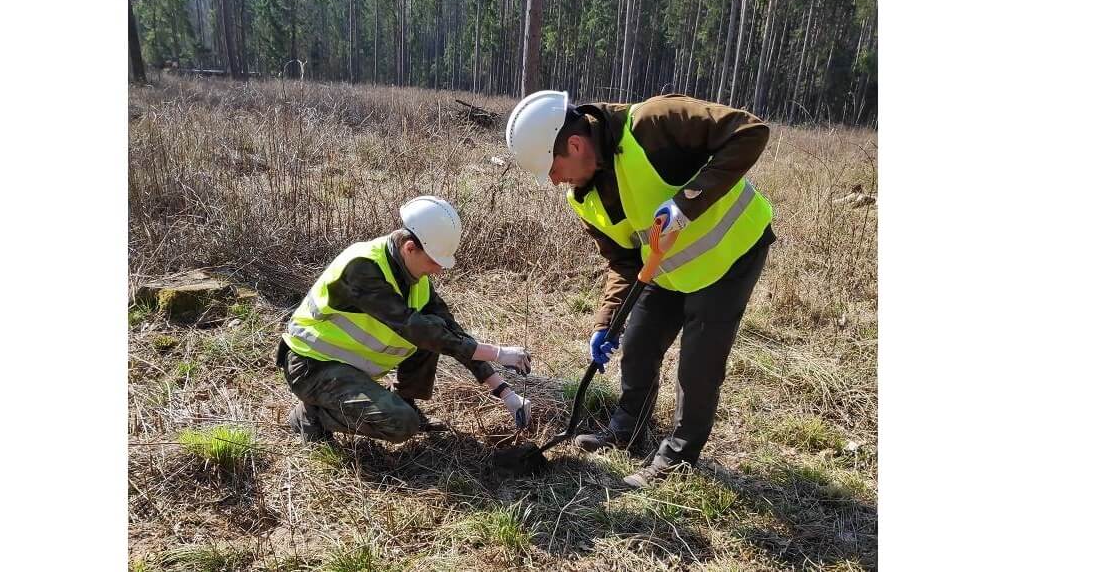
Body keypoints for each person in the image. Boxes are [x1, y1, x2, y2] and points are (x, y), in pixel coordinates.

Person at [504, 91, 775, 488]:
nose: (554, 180)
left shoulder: (652, 123)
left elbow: (750, 132)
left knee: (698, 365)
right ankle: (627, 428)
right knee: (638, 342)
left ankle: (678, 458)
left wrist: (686, 203)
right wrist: (606, 323)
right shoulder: (584, 198)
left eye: (552, 168)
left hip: (731, 254)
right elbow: (625, 262)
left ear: (576, 144)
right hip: (667, 270)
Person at [277, 196, 533, 445]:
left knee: (436, 331)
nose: (438, 270)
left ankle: (403, 400)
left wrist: (505, 392)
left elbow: (452, 334)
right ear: (410, 247)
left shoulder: (415, 278)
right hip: (311, 365)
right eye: (435, 261)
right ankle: (312, 416)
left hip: (348, 366)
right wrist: (497, 353)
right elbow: (412, 327)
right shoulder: (363, 268)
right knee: (402, 423)